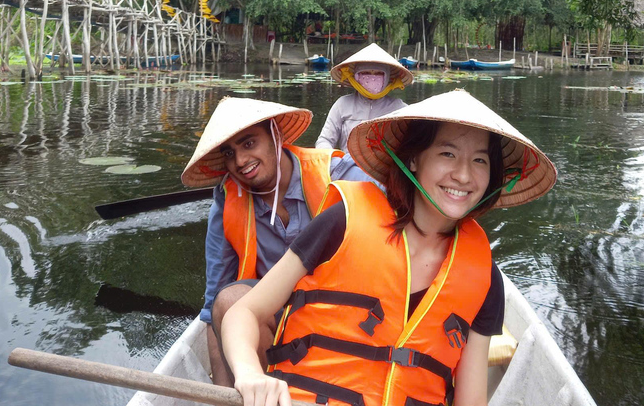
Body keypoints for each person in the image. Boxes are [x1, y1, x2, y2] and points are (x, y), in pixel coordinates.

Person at [221, 89, 558, 406]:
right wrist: (250, 373)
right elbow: (243, 312)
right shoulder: (341, 223)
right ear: (414, 160)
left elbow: (469, 400)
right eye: (447, 153)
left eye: (480, 161)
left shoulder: (484, 279)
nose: (463, 175)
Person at [180, 97, 375, 386]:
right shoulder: (227, 200)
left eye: (249, 144)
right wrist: (222, 396)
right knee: (230, 300)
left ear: (276, 135)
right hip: (278, 326)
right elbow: (213, 309)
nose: (240, 162)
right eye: (229, 153)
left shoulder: (337, 174)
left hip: (347, 320)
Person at [315, 42, 413, 152]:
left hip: (386, 167)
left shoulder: (400, 109)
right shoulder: (342, 104)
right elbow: (324, 140)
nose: (372, 78)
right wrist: (336, 160)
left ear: (387, 78)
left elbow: (413, 143)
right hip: (347, 165)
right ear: (356, 77)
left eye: (378, 73)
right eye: (365, 72)